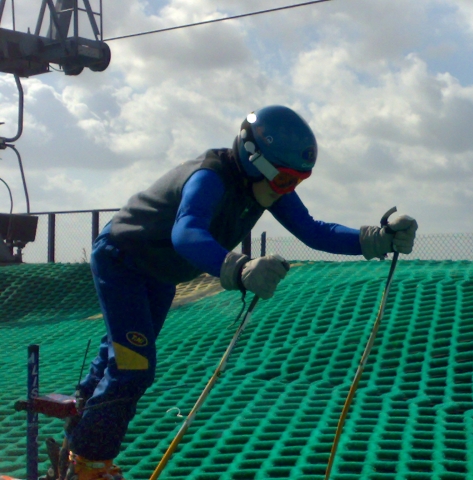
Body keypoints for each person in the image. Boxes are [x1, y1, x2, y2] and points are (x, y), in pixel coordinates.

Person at [62, 105, 418, 480]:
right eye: (286, 180)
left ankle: (79, 427)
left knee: (124, 352)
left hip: (161, 270)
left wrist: (377, 239)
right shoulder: (210, 177)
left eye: (299, 181)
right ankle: (88, 463)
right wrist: (240, 267)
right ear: (255, 160)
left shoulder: (268, 185)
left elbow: (314, 231)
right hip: (124, 258)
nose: (289, 190)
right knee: (133, 366)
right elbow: (185, 233)